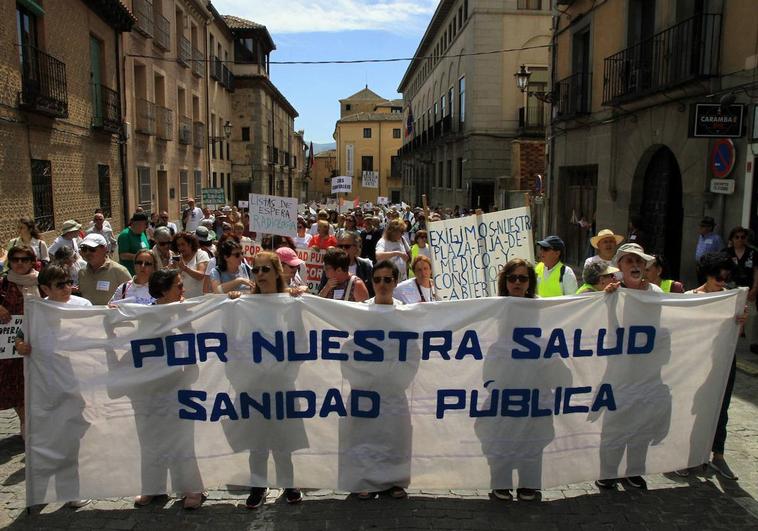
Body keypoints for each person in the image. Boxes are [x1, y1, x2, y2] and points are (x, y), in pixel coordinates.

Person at [141, 268, 205, 509]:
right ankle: (152, 487)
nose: (184, 289)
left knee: (183, 439)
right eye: (179, 286)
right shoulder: (145, 315)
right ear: (164, 291)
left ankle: (193, 488)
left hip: (180, 383)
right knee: (151, 439)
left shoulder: (185, 312)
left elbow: (192, 345)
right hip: (151, 387)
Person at [245, 251, 304, 507]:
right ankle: (257, 486)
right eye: (255, 270)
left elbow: (300, 338)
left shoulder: (290, 302)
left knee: (283, 437)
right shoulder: (244, 305)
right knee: (256, 439)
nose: (259, 275)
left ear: (277, 272)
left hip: (282, 380)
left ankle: (289, 484)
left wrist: (288, 369)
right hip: (253, 381)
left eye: (265, 270)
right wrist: (234, 298)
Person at [684, 252, 742, 480]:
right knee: (692, 409)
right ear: (708, 274)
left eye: (726, 277)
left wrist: (740, 320)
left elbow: (735, 333)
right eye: (719, 276)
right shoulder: (690, 297)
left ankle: (718, 456)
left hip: (724, 360)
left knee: (722, 408)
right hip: (697, 361)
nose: (722, 281)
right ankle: (688, 456)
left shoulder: (732, 298)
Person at [0, 245, 40, 439]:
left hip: (38, 342)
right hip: (11, 347)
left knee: (37, 384)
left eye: (24, 259)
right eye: (15, 259)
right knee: (16, 386)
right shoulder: (4, 284)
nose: (20, 263)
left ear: (32, 261)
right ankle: (26, 424)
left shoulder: (42, 281)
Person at [78, 233, 132, 305]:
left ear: (104, 249)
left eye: (92, 249)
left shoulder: (119, 271)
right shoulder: (82, 273)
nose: (87, 253)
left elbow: (131, 297)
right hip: (87, 315)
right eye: (84, 249)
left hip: (111, 315)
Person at [318, 231, 374, 297]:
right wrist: (327, 288)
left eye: (347, 246)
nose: (343, 249)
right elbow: (320, 295)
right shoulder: (330, 266)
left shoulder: (365, 266)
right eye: (340, 246)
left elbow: (372, 293)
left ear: (357, 247)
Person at [173, 232, 209, 299]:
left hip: (200, 300)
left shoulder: (201, 254)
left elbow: (201, 275)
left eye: (183, 244)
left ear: (190, 244)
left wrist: (185, 268)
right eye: (178, 245)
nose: (180, 247)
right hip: (183, 301)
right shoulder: (177, 258)